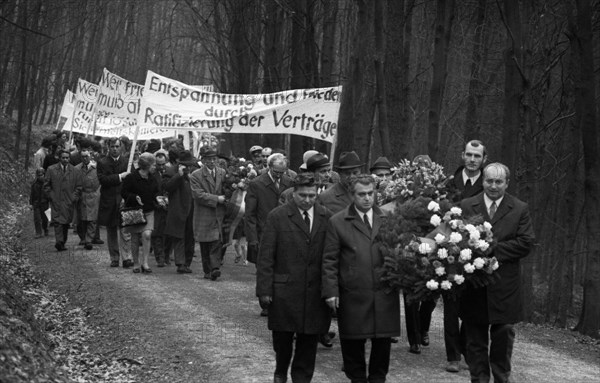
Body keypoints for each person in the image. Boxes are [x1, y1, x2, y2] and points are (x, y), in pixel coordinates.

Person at [460, 163, 535, 383]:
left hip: (505, 285)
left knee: (503, 334)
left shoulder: (520, 208)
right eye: (489, 181)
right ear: (482, 180)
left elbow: (526, 243)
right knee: (475, 338)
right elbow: (456, 236)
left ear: (507, 183)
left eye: (498, 181)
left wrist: (493, 248)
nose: (493, 186)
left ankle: (502, 376)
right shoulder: (467, 205)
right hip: (474, 283)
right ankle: (479, 378)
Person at [322, 175, 400, 383]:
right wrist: (331, 291)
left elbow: (398, 252)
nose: (367, 198)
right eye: (361, 194)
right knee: (353, 343)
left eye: (370, 193)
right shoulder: (338, 221)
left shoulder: (388, 218)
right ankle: (356, 379)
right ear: (352, 195)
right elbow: (330, 260)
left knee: (382, 343)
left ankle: (377, 379)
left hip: (384, 292)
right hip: (353, 293)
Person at [256, 174, 332, 383]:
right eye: (302, 195)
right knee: (282, 339)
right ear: (293, 193)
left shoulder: (326, 217)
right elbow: (266, 256)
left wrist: (330, 290)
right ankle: (281, 370)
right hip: (285, 291)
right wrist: (264, 290)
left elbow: (331, 256)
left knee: (309, 341)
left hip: (314, 292)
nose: (307, 200)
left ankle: (302, 378)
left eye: (312, 195)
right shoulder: (277, 216)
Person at [443, 139, 487, 372]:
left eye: (477, 156)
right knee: (450, 304)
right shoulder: (450, 182)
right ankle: (452, 356)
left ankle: (463, 346)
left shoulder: (487, 184)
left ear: (484, 159)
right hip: (448, 247)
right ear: (462, 156)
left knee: (470, 304)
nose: (472, 160)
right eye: (469, 155)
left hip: (475, 248)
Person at [245, 153, 293, 315]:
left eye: (282, 172)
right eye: (276, 172)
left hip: (285, 233)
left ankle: (278, 302)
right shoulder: (256, 184)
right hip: (262, 233)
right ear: (269, 167)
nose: (279, 175)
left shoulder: (290, 183)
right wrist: (252, 238)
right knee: (264, 268)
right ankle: (265, 304)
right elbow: (250, 214)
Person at [121, 153, 160, 274]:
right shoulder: (131, 177)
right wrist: (134, 197)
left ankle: (145, 262)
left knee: (147, 235)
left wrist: (158, 198)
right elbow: (124, 192)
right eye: (153, 164)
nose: (155, 167)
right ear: (147, 165)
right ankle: (136, 263)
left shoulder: (153, 178)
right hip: (135, 211)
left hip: (149, 210)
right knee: (135, 238)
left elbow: (156, 192)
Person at [190, 147, 226, 280]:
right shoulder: (195, 175)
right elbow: (198, 195)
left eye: (214, 159)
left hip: (218, 214)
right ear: (203, 160)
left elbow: (227, 188)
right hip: (204, 213)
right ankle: (207, 270)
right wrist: (217, 199)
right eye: (209, 159)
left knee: (217, 241)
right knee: (205, 243)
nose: (212, 161)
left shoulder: (222, 172)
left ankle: (215, 268)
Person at [97, 137, 133, 268]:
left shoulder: (127, 163)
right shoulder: (102, 162)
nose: (115, 149)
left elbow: (132, 181)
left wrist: (128, 196)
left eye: (117, 146)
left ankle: (127, 257)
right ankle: (114, 257)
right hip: (109, 200)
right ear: (108, 147)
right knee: (111, 229)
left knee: (125, 230)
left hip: (124, 199)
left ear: (121, 147)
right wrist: (119, 177)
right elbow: (103, 180)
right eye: (112, 147)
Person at [164, 150, 199, 274]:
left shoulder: (195, 172)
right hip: (178, 208)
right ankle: (180, 263)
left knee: (190, 238)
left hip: (193, 208)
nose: (189, 167)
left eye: (190, 164)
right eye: (186, 165)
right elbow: (167, 187)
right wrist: (178, 175)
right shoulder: (170, 171)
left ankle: (187, 262)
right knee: (179, 236)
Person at [43, 150, 82, 251]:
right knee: (57, 221)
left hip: (69, 200)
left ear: (69, 158)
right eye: (63, 158)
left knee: (66, 222)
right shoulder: (51, 169)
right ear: (59, 158)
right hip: (56, 200)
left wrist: (74, 197)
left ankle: (62, 241)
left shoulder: (75, 171)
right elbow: (46, 185)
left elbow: (79, 187)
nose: (65, 160)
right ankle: (59, 241)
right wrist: (51, 196)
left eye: (67, 158)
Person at [75, 149, 100, 250]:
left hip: (93, 195)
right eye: (83, 156)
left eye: (86, 156)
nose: (85, 158)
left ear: (90, 156)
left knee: (92, 219)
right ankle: (83, 238)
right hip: (82, 195)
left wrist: (98, 193)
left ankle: (89, 240)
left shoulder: (96, 167)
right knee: (81, 219)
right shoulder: (77, 169)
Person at [152, 152, 169, 267]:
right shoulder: (152, 175)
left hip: (168, 208)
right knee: (157, 234)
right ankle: (160, 257)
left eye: (163, 164)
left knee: (167, 234)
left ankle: (166, 256)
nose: (161, 167)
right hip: (156, 208)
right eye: (159, 164)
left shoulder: (170, 173)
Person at [30, 168, 49, 238]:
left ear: (44, 175)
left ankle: (45, 229)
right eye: (39, 175)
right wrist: (31, 204)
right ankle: (38, 232)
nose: (40, 176)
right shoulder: (34, 184)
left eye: (41, 175)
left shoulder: (47, 183)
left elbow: (50, 193)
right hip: (36, 203)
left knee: (45, 218)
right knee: (37, 218)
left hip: (45, 203)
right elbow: (32, 194)